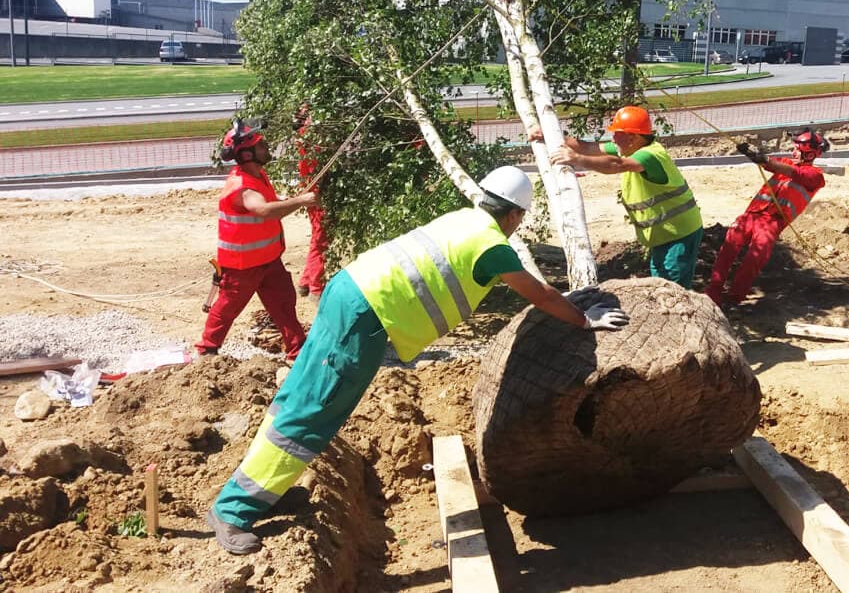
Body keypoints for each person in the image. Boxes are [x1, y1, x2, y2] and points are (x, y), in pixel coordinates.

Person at [206, 166, 630, 555]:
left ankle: (264, 492)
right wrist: (582, 318)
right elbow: (537, 294)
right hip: (366, 317)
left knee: (299, 397)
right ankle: (234, 510)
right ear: (516, 215)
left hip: (350, 293)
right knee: (312, 412)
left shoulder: (462, 220)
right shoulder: (492, 246)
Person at [541, 105, 703, 288]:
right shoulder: (631, 147)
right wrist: (549, 136)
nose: (613, 137)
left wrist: (577, 159)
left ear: (633, 137)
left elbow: (617, 165)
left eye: (617, 133)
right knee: (661, 283)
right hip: (664, 235)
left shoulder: (650, 155)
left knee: (671, 288)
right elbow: (590, 147)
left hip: (679, 234)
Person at [196, 120, 317, 361]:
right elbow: (264, 210)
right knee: (227, 308)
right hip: (243, 266)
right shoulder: (242, 186)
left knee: (283, 303)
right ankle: (207, 350)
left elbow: (268, 200)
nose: (267, 147)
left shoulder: (257, 175)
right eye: (261, 145)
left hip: (268, 259)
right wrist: (301, 201)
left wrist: (287, 198)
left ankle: (298, 350)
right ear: (247, 153)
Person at [705, 129, 829, 307]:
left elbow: (793, 172)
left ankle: (734, 298)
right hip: (752, 214)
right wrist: (752, 154)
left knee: (754, 258)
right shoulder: (786, 162)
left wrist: (765, 160)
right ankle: (713, 292)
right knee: (728, 249)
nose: (793, 152)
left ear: (810, 153)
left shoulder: (816, 176)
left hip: (773, 221)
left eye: (797, 149)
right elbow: (771, 164)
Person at [293, 106, 329, 301]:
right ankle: (317, 287)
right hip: (317, 194)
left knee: (318, 236)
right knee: (321, 238)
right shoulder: (310, 137)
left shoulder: (306, 135)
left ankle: (306, 280)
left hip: (313, 190)